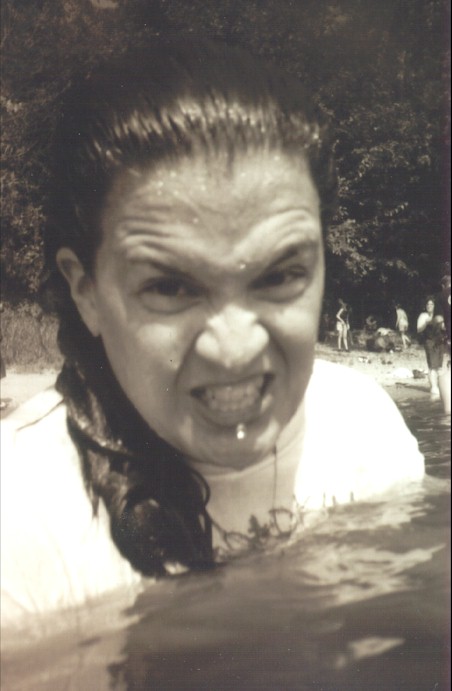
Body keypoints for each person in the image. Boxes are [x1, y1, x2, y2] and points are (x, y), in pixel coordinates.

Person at [1, 38, 424, 627]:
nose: (235, 350)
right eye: (170, 288)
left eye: (279, 276)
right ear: (86, 291)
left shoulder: (361, 425)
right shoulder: (19, 518)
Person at [417, 297, 446, 399]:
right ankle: (433, 387)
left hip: (439, 342)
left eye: (431, 304)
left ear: (434, 306)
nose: (429, 306)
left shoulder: (439, 316)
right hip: (429, 342)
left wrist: (444, 325)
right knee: (432, 366)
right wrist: (426, 322)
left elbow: (444, 328)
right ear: (425, 306)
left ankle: (439, 386)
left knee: (439, 366)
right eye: (428, 304)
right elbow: (419, 329)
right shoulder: (423, 316)